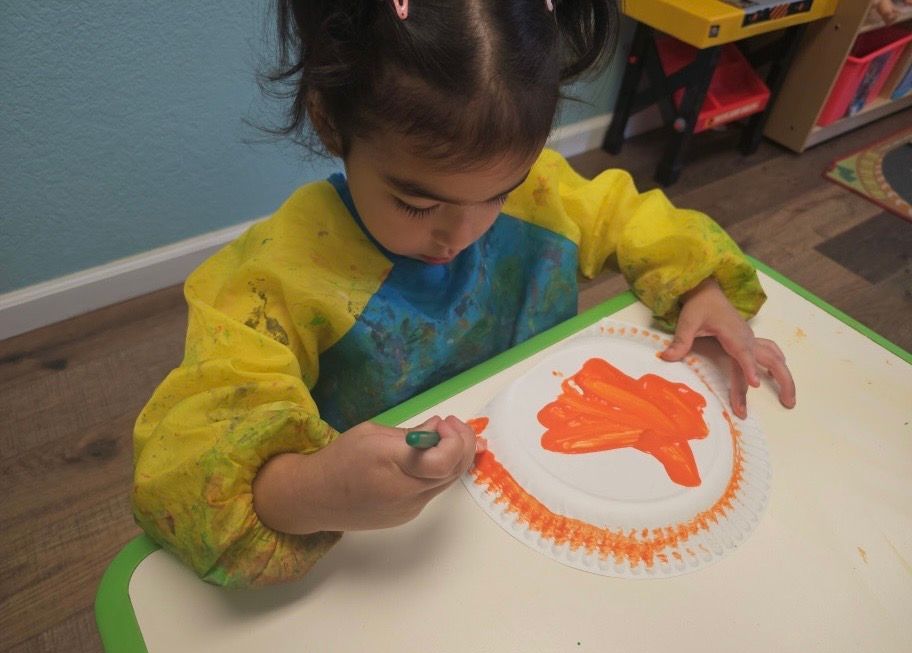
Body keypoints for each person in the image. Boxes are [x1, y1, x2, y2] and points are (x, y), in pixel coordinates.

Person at [133, 0, 796, 588]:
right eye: (418, 202)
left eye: (499, 194)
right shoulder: (270, 279)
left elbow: (625, 215)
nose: (461, 233)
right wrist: (313, 491)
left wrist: (702, 285)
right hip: (387, 555)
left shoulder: (540, 198)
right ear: (331, 122)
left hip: (549, 513)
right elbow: (187, 459)